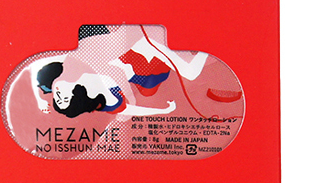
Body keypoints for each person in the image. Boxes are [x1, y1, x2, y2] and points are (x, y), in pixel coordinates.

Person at [31, 24, 210, 118]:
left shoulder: (72, 63)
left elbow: (38, 70)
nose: (59, 94)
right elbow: (129, 110)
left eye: (57, 97)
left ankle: (209, 43)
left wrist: (39, 101)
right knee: (150, 89)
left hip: (141, 43)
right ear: (77, 97)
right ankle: (207, 44)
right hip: (145, 66)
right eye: (65, 99)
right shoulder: (104, 99)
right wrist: (163, 111)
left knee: (190, 72)